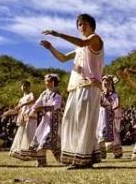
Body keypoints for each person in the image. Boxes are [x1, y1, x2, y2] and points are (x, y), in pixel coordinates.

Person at [40, 13, 104, 169]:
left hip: (89, 85)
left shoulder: (95, 39)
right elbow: (62, 58)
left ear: (91, 25)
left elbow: (83, 42)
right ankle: (81, 156)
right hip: (76, 87)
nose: (81, 27)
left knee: (84, 121)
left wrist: (58, 34)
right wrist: (51, 48)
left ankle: (82, 159)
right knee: (70, 120)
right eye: (79, 25)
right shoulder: (79, 49)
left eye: (84, 24)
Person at [26, 74, 63, 167]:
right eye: (46, 81)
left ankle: (63, 160)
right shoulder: (44, 94)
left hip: (53, 121)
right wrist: (32, 110)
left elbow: (56, 106)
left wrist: (42, 107)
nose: (46, 83)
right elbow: (37, 104)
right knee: (40, 138)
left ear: (53, 82)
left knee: (49, 140)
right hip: (44, 120)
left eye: (48, 81)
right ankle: (41, 162)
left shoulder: (57, 95)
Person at [4, 80, 37, 161]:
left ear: (29, 86)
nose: (24, 87)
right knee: (22, 133)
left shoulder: (30, 94)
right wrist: (9, 112)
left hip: (30, 116)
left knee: (29, 134)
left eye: (26, 85)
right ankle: (21, 152)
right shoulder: (22, 98)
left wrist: (23, 104)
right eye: (23, 85)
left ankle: (31, 153)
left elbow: (33, 100)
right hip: (23, 116)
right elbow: (17, 108)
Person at [97, 75, 123, 159]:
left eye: (107, 81)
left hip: (111, 115)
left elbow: (116, 105)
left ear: (110, 83)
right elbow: (98, 104)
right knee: (100, 132)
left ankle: (117, 152)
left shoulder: (114, 95)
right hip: (101, 115)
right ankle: (102, 152)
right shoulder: (99, 94)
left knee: (113, 133)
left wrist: (110, 108)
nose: (105, 82)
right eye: (104, 81)